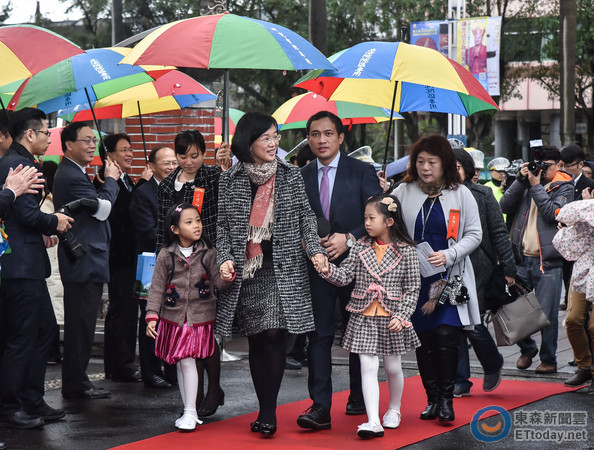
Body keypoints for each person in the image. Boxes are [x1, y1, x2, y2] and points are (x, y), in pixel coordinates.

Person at [216, 112, 327, 436]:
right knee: (257, 339)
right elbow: (222, 227)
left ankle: (268, 412)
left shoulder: (290, 176)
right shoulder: (230, 178)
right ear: (249, 142)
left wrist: (316, 249)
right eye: (266, 137)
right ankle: (264, 403)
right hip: (248, 270)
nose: (274, 143)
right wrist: (224, 258)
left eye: (276, 137)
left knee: (276, 334)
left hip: (283, 268)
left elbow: (307, 216)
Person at [297, 111, 382, 430]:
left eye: (328, 133)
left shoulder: (361, 171)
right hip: (316, 268)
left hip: (357, 265)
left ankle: (359, 396)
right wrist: (306, 243)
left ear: (341, 137)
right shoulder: (300, 176)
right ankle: (319, 406)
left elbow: (380, 215)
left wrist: (349, 238)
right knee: (318, 336)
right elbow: (290, 219)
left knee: (357, 333)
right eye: (315, 134)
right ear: (308, 138)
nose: (321, 140)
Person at [393, 135, 482, 422]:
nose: (425, 167)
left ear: (445, 164)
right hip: (415, 280)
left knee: (446, 336)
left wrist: (450, 254)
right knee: (424, 340)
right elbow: (388, 226)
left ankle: (446, 399)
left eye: (432, 162)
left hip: (449, 279)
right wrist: (382, 196)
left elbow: (474, 235)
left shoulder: (461, 193)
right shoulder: (403, 191)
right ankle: (432, 398)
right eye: (420, 161)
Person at [317, 194, 420, 438]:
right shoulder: (360, 246)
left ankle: (394, 409)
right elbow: (344, 277)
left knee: (393, 367)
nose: (366, 223)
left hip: (392, 316)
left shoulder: (407, 251)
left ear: (389, 221)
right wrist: (325, 269)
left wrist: (403, 315)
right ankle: (373, 420)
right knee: (367, 366)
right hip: (363, 314)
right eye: (365, 218)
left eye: (372, 218)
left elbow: (413, 288)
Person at [0, 108, 73, 429]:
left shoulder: (15, 161)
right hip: (19, 265)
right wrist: (54, 221)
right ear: (29, 134)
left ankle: (32, 399)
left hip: (25, 263)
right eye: (46, 132)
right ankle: (10, 405)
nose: (49, 138)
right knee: (21, 336)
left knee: (42, 331)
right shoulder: (20, 164)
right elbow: (27, 215)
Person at [156, 130, 229, 417]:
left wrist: (226, 167)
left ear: (204, 152)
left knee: (204, 329)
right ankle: (196, 392)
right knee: (186, 331)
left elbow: (227, 205)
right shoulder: (166, 186)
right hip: (177, 264)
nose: (189, 161)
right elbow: (161, 228)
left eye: (195, 155)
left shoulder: (213, 176)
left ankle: (214, 389)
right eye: (183, 156)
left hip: (207, 260)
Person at [146, 203, 232, 430]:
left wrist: (227, 276)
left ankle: (190, 411)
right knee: (183, 363)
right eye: (189, 222)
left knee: (186, 361)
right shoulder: (166, 254)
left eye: (198, 220)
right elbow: (156, 287)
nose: (196, 225)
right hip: (173, 318)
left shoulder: (208, 252)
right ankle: (188, 409)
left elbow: (219, 283)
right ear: (175, 229)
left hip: (199, 319)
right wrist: (152, 315)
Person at [54, 122, 121, 399]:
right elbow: (103, 209)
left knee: (82, 324)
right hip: (82, 260)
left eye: (94, 140)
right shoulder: (70, 175)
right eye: (86, 140)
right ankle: (75, 382)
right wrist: (112, 180)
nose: (92, 145)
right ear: (68, 144)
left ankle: (78, 379)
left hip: (87, 259)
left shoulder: (78, 173)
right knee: (80, 325)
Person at [500, 145, 573, 374]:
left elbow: (553, 213)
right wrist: (521, 181)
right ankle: (527, 348)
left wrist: (535, 186)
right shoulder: (527, 183)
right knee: (509, 307)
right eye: (537, 164)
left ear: (558, 165)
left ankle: (549, 359)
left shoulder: (565, 188)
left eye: (546, 166)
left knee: (547, 315)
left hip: (547, 263)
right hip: (520, 260)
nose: (540, 169)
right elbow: (503, 206)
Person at [453, 149, 516, 397]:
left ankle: (492, 362)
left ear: (468, 169)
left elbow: (499, 233)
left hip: (479, 268)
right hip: (450, 267)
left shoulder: (483, 194)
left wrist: (509, 269)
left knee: (472, 323)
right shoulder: (439, 194)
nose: (453, 171)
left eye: (458, 167)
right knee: (455, 322)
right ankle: (461, 380)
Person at [94, 133, 149, 382]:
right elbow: (117, 212)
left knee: (129, 311)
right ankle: (118, 365)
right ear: (109, 154)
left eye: (131, 149)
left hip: (131, 254)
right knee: (121, 310)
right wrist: (140, 187)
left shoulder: (124, 178)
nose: (130, 154)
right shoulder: (103, 179)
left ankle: (125, 361)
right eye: (124, 149)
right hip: (118, 255)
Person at [130, 146, 178, 388]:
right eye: (165, 163)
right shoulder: (143, 194)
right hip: (151, 265)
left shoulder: (180, 190)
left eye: (173, 162)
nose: (171, 167)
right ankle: (150, 371)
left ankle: (171, 369)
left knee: (173, 316)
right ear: (151, 166)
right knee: (151, 317)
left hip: (177, 264)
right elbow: (148, 233)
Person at [553, 196, 594, 393]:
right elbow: (563, 215)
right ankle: (584, 366)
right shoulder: (586, 210)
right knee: (573, 319)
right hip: (584, 269)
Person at [559, 144, 594, 311]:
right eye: (562, 165)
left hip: (582, 248)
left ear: (581, 164)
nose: (565, 169)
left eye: (569, 165)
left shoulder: (589, 186)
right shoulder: (556, 183)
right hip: (560, 242)